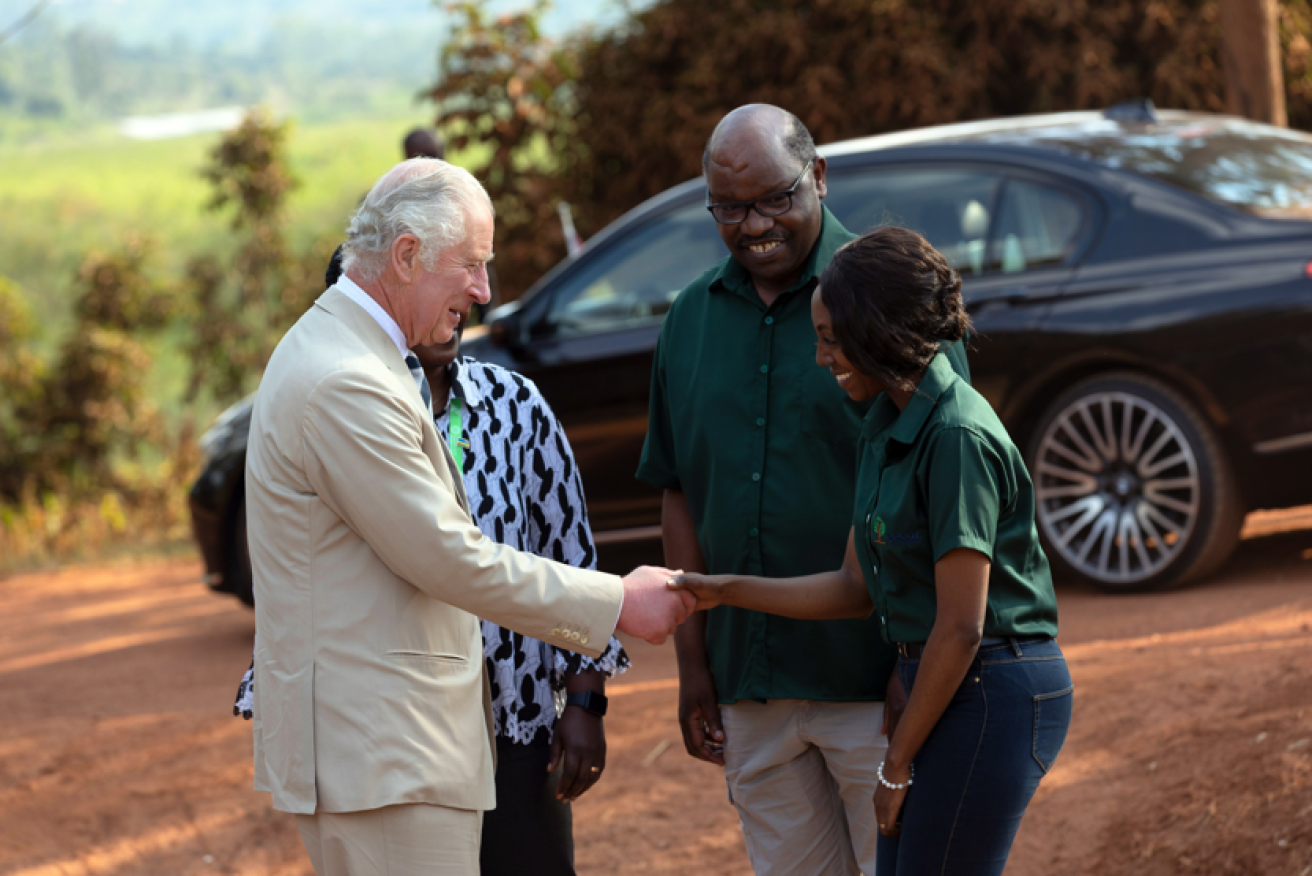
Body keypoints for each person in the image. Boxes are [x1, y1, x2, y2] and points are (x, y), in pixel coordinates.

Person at [244, 157, 692, 875]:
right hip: (386, 760)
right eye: (473, 266)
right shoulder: (347, 381)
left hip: (388, 755)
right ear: (407, 255)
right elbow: (450, 557)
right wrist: (617, 604)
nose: (485, 292)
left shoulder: (349, 354)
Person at [670, 227, 1073, 876]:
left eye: (831, 339)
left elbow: (962, 627)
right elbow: (854, 586)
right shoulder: (885, 422)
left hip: (993, 686)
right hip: (942, 683)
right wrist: (722, 590)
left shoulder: (957, 436)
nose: (821, 357)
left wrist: (895, 762)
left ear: (878, 332)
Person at [636, 104, 969, 876]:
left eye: (774, 199)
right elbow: (678, 491)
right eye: (729, 207)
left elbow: (941, 487)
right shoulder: (688, 319)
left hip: (873, 683)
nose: (753, 226)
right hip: (749, 686)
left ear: (818, 175)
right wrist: (694, 664)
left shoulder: (891, 294)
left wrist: (909, 668)